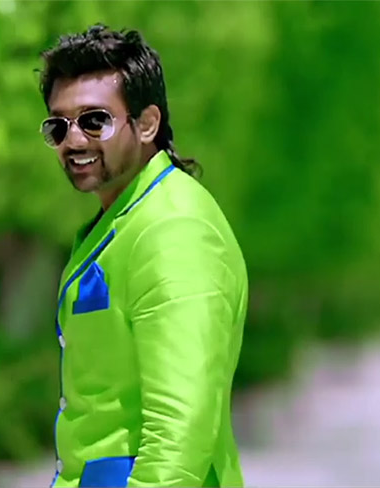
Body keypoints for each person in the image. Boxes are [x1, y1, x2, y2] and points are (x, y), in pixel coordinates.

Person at [38, 24, 248, 488]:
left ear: (148, 123)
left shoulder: (175, 231)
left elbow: (181, 428)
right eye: (58, 126)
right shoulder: (125, 221)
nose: (74, 141)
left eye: (95, 120)